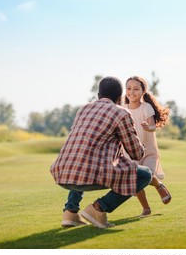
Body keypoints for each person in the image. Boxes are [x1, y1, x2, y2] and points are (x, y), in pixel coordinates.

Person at [50, 76, 152, 228]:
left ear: (98, 95)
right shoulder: (121, 113)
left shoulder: (83, 109)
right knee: (145, 174)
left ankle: (70, 212)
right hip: (91, 176)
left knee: (81, 160)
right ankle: (98, 208)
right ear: (120, 97)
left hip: (63, 173)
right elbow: (136, 154)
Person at [124, 76, 171, 217]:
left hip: (148, 150)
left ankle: (159, 186)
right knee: (136, 178)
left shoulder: (146, 107)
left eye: (136, 89)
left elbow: (152, 127)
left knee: (148, 175)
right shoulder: (122, 108)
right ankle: (146, 209)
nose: (132, 92)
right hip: (131, 152)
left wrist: (147, 126)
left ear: (143, 91)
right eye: (129, 88)